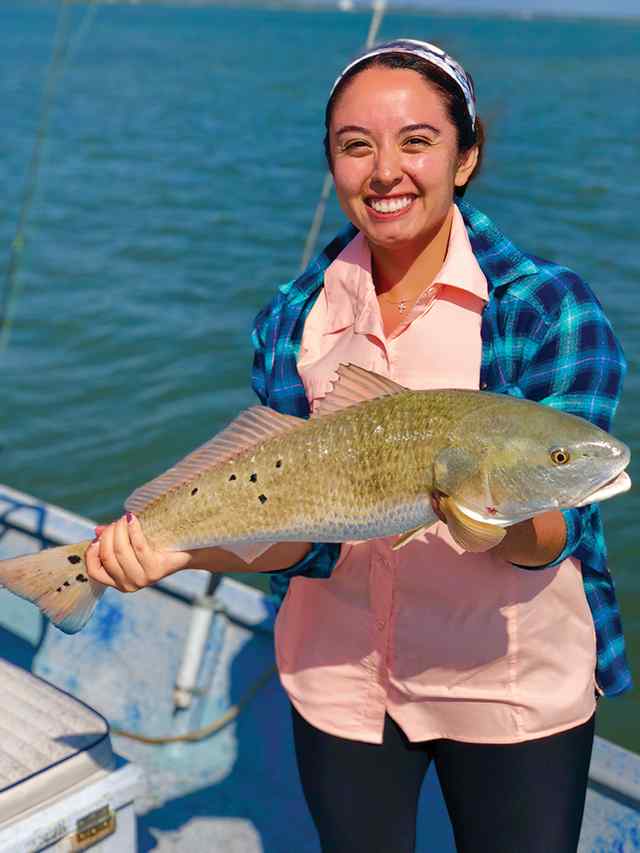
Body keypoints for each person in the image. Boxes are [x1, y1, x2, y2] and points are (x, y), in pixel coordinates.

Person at [85, 39, 629, 853]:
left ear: (466, 154)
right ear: (332, 163)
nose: (386, 172)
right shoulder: (292, 318)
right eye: (355, 145)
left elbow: (563, 527)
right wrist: (177, 553)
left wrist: (497, 523)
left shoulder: (548, 307)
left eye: (417, 141)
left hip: (509, 688)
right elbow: (302, 542)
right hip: (342, 685)